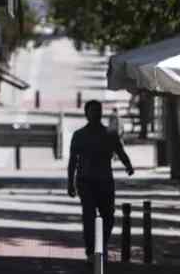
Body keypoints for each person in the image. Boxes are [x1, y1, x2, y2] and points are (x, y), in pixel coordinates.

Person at [68, 100, 135, 263]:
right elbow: (72, 161)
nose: (95, 114)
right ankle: (91, 251)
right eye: (92, 111)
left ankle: (101, 244)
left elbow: (120, 150)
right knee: (89, 217)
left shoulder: (109, 134)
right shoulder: (79, 135)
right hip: (86, 182)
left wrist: (128, 165)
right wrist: (70, 183)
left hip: (105, 182)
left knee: (109, 217)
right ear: (87, 114)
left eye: (97, 111)